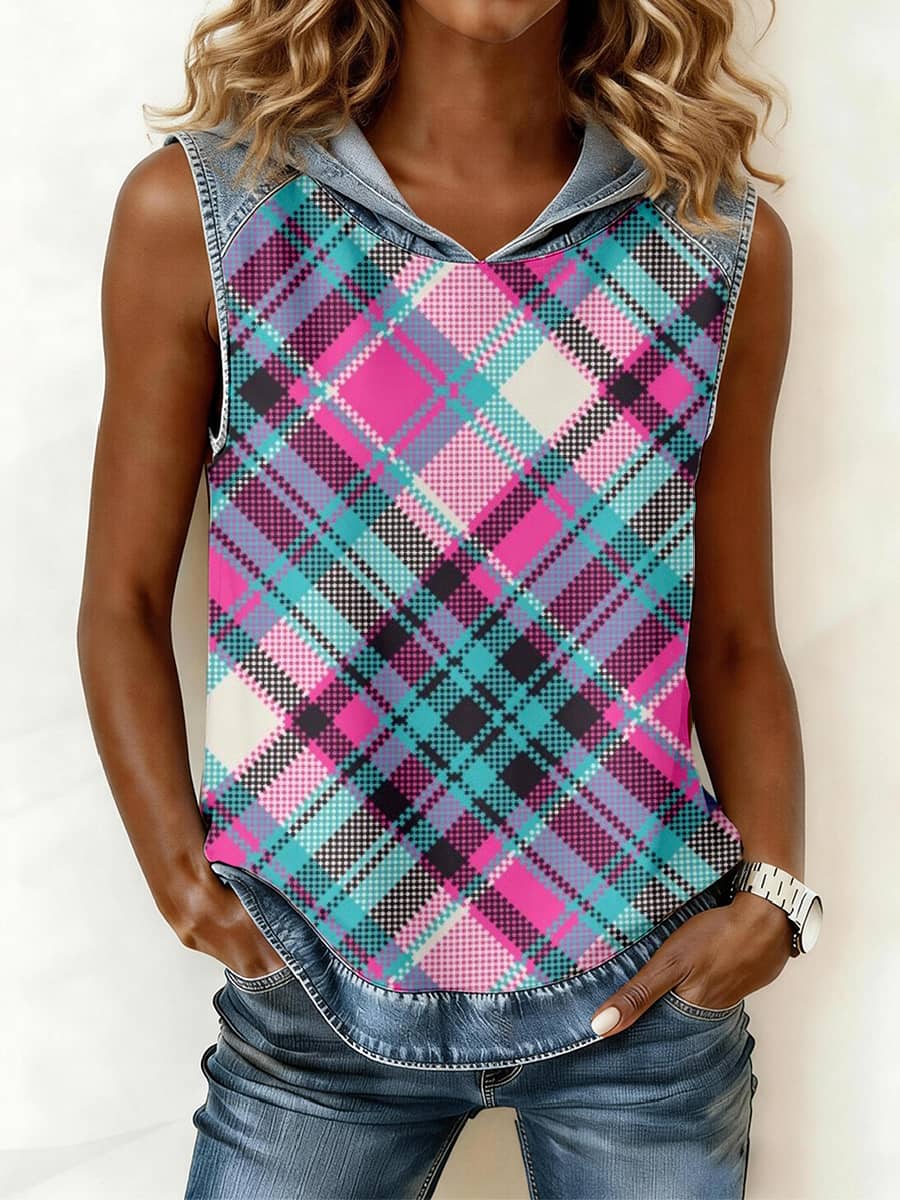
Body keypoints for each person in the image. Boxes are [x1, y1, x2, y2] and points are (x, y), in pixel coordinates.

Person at [77, 2, 822, 1197]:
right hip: (315, 1000)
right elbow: (121, 596)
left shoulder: (716, 242)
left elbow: (733, 638)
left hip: (647, 1002)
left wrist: (774, 900)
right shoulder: (207, 215)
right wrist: (185, 887)